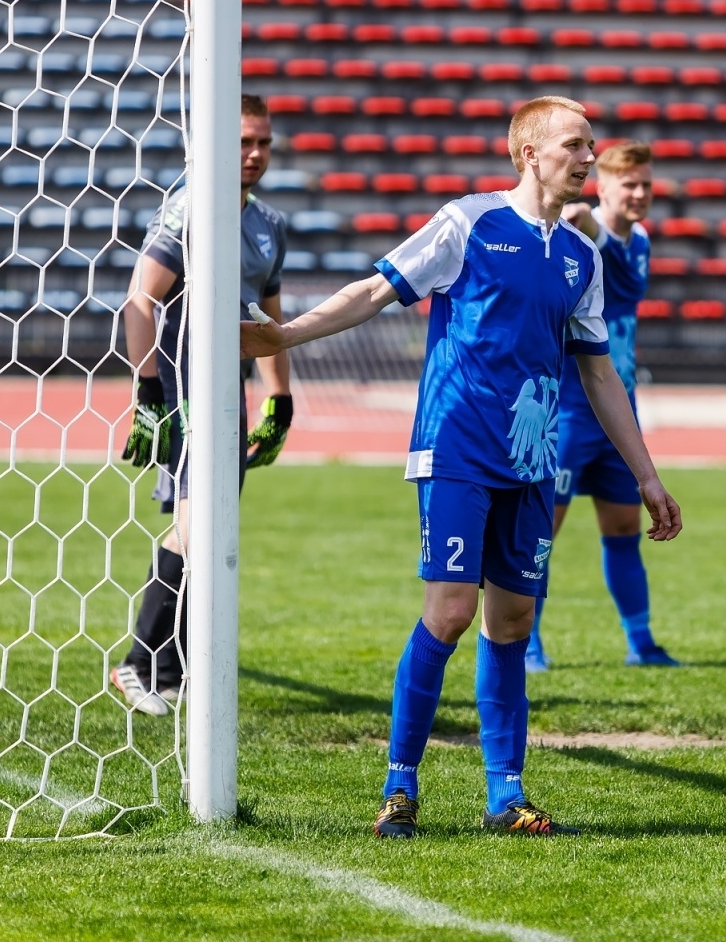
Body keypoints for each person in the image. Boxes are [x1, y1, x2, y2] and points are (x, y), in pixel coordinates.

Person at [241, 96, 683, 839]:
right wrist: (286, 335)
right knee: (450, 613)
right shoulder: (469, 222)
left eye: (591, 145)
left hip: (531, 460)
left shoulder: (582, 256)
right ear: (529, 154)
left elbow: (600, 373)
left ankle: (506, 795)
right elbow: (374, 291)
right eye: (575, 145)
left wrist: (647, 475)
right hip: (456, 448)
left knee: (513, 621)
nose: (588, 157)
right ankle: (399, 786)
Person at [110, 93, 294, 717]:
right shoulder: (188, 209)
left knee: (208, 529)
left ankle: (170, 670)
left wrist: (280, 398)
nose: (255, 153)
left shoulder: (268, 225)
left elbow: (268, 321)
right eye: (243, 141)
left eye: (263, 142)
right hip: (182, 389)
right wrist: (148, 391)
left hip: (227, 394)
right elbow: (140, 298)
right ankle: (138, 665)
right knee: (198, 527)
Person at [526, 140, 679, 671]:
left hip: (620, 415)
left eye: (646, 184)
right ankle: (526, 641)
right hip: (569, 412)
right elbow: (582, 221)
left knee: (623, 530)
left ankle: (642, 643)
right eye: (628, 184)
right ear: (604, 187)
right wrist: (574, 216)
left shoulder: (641, 239)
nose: (639, 193)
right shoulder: (590, 229)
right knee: (540, 535)